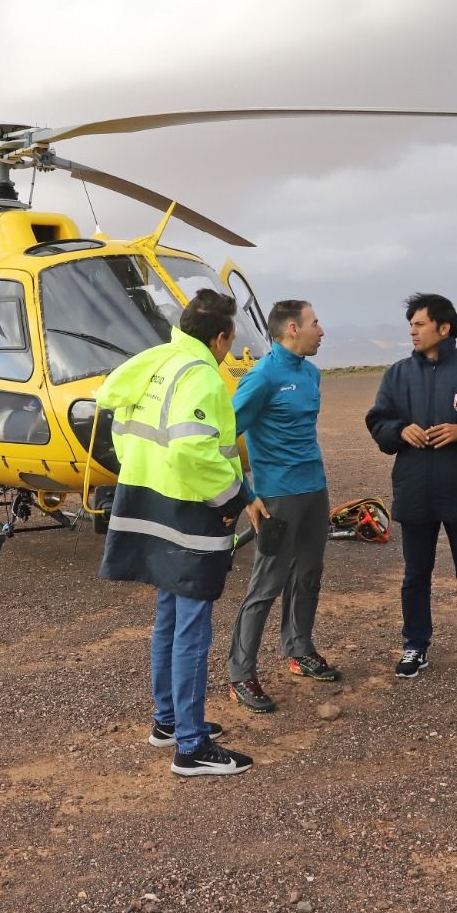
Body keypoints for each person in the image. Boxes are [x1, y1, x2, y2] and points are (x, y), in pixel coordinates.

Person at [97, 289, 257, 777]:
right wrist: (233, 498)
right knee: (192, 626)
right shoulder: (202, 375)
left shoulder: (155, 362)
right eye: (230, 339)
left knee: (168, 616)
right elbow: (192, 451)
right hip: (189, 511)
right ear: (220, 337)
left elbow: (119, 423)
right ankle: (190, 747)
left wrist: (146, 475)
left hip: (146, 500)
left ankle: (168, 721)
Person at [366, 293, 457, 681]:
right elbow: (379, 422)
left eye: (419, 324)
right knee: (415, 575)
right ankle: (415, 645)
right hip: (415, 491)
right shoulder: (397, 374)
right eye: (410, 325)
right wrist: (398, 429)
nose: (412, 331)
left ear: (444, 328)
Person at [226, 300, 339, 713]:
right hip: (276, 497)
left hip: (314, 489)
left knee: (309, 573)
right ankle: (241, 674)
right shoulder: (261, 377)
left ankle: (299, 649)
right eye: (316, 322)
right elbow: (224, 437)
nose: (321, 330)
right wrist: (246, 494)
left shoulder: (310, 374)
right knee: (267, 583)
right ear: (293, 328)